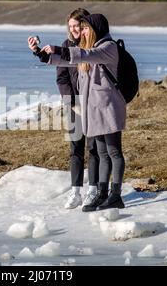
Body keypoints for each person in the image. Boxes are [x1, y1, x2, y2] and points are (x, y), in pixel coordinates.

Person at [29, 14, 126, 211]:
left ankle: (116, 195)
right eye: (79, 28)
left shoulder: (107, 47)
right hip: (93, 109)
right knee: (101, 153)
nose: (81, 32)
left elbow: (84, 55)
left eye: (85, 28)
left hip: (109, 108)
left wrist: (58, 48)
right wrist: (41, 53)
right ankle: (102, 193)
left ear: (95, 28)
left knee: (114, 152)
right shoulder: (89, 50)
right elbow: (65, 62)